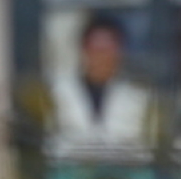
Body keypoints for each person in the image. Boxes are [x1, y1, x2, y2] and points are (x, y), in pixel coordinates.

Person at [48, 13, 152, 152]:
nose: (101, 57)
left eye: (107, 50)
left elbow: (145, 146)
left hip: (124, 169)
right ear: (84, 51)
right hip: (70, 168)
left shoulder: (138, 96)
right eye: (96, 50)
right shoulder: (58, 93)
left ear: (119, 53)